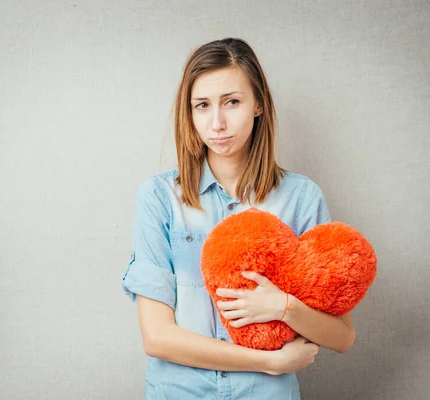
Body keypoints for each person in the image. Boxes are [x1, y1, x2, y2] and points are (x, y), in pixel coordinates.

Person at [121, 38, 355, 400]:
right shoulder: (159, 197)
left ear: (258, 103)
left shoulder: (301, 198)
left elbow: (341, 336)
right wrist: (269, 362)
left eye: (232, 101)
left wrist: (283, 306)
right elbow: (157, 337)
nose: (217, 123)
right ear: (190, 113)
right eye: (202, 106)